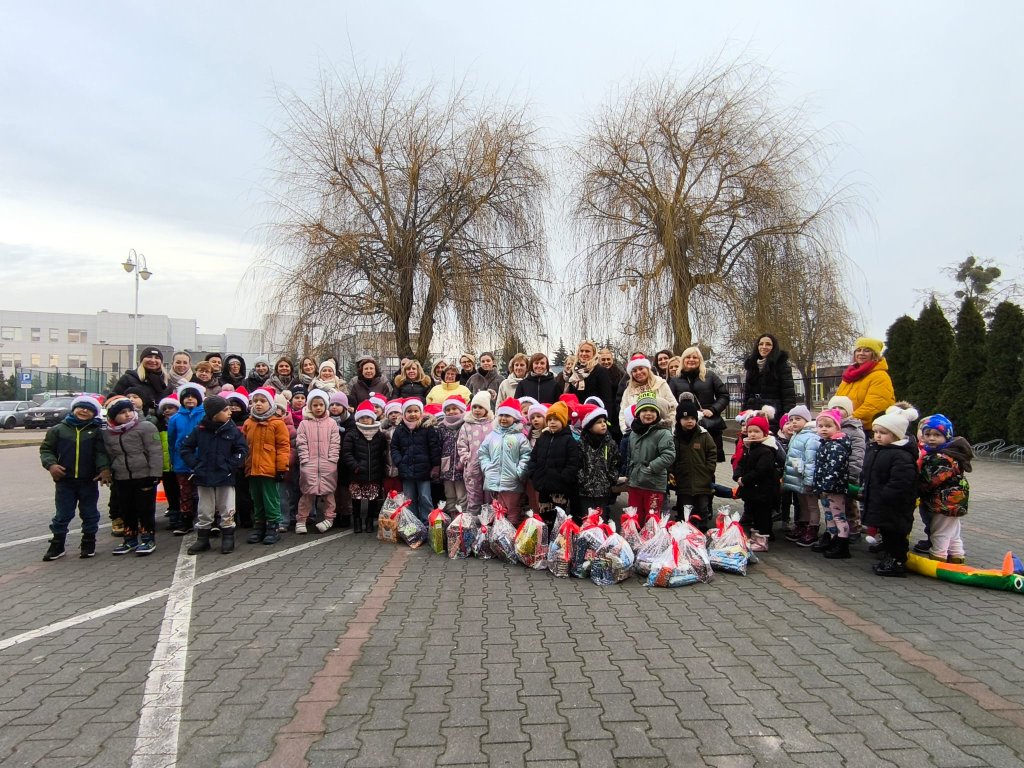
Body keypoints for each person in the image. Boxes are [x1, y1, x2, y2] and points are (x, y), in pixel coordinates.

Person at [39, 395, 112, 561]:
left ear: (95, 413)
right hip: (65, 481)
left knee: (89, 513)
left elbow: (101, 453)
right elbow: (46, 450)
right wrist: (51, 465)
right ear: (73, 409)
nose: (84, 411)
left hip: (88, 481)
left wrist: (104, 469)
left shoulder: (96, 432)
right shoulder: (58, 430)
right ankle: (57, 544)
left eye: (89, 409)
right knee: (63, 514)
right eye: (81, 407)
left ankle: (88, 542)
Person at [180, 394, 249, 555]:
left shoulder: (232, 429)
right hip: (204, 476)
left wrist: (231, 465)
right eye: (225, 410)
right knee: (205, 509)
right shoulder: (200, 430)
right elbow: (185, 448)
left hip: (225, 476)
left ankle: (228, 537)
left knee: (227, 507)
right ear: (213, 413)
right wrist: (196, 465)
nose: (230, 412)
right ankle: (203, 539)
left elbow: (242, 449)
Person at [861, 405, 920, 577]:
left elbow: (901, 481)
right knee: (887, 531)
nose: (877, 435)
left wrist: (887, 495)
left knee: (896, 533)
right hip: (881, 501)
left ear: (895, 435)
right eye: (875, 432)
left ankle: (897, 561)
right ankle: (889, 557)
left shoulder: (901, 455)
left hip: (895, 504)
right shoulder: (877, 450)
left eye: (883, 432)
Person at [101, 395, 163, 556]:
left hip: (144, 475)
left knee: (145, 509)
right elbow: (108, 454)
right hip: (121, 476)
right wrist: (107, 470)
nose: (127, 414)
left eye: (129, 410)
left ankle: (148, 538)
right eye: (122, 412)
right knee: (126, 509)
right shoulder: (108, 432)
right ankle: (129, 539)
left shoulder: (145, 427)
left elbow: (155, 452)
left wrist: (155, 474)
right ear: (113, 416)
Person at [917, 414, 973, 564]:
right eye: (927, 434)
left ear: (947, 437)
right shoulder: (948, 453)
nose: (931, 438)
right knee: (953, 530)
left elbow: (930, 480)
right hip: (954, 500)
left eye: (937, 435)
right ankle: (956, 555)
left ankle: (938, 556)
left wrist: (917, 488)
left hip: (944, 500)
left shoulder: (941, 457)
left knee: (939, 530)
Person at [242, 386, 291, 545]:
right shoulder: (249, 423)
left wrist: (282, 468)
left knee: (270, 499)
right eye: (255, 401)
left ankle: (273, 526)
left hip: (269, 470)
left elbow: (283, 447)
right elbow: (243, 445)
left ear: (270, 404)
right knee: (257, 499)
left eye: (262, 401)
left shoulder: (277, 423)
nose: (258, 404)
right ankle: (259, 526)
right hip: (253, 469)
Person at [669, 346, 731, 462]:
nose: (691, 359)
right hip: (685, 427)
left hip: (708, 425)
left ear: (700, 360)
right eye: (688, 357)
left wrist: (713, 409)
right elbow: (670, 402)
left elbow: (724, 396)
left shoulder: (710, 376)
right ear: (683, 360)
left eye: (695, 357)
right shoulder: (675, 380)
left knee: (709, 461)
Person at [478, 398, 532, 525]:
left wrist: (519, 472)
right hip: (494, 479)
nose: (503, 418)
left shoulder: (520, 437)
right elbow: (483, 453)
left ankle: (512, 534)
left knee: (513, 509)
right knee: (498, 509)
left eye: (507, 415)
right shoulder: (492, 436)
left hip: (512, 481)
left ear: (515, 418)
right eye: (501, 415)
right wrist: (487, 467)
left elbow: (526, 455)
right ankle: (499, 536)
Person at [295, 389, 341, 534]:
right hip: (309, 464)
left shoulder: (332, 423)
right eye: (315, 405)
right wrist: (305, 460)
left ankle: (329, 518)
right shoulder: (304, 424)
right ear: (310, 406)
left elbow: (335, 443)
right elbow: (301, 443)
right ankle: (301, 520)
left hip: (328, 465)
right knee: (307, 494)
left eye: (321, 404)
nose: (318, 408)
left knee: (329, 494)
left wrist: (332, 460)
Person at [527, 401, 580, 524]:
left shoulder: (569, 440)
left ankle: (559, 542)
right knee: (544, 518)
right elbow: (533, 458)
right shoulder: (543, 438)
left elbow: (573, 464)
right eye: (549, 419)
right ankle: (545, 540)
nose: (552, 422)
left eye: (556, 419)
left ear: (563, 421)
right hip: (543, 487)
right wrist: (534, 474)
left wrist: (563, 478)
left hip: (560, 490)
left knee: (559, 520)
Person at [626, 393, 675, 526]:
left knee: (652, 518)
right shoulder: (633, 433)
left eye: (653, 410)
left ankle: (651, 544)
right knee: (634, 517)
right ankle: (635, 541)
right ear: (638, 413)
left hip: (653, 483)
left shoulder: (663, 432)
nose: (649, 413)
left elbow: (669, 455)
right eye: (644, 410)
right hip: (635, 483)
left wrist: (651, 467)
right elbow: (630, 456)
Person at [390, 398, 441, 522]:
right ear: (404, 413)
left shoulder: (427, 428)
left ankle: (427, 522)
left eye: (416, 411)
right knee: (409, 498)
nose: (413, 414)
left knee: (425, 497)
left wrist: (435, 466)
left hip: (424, 471)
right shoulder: (400, 429)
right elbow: (394, 447)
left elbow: (434, 448)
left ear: (421, 412)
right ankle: (412, 523)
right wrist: (399, 461)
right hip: (406, 470)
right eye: (409, 411)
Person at [342, 401, 390, 533]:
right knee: (356, 499)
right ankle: (357, 521)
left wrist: (380, 469)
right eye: (362, 417)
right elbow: (346, 453)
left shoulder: (379, 435)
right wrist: (355, 466)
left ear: (373, 418)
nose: (365, 420)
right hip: (357, 473)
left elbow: (382, 453)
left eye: (368, 417)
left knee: (372, 499)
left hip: (374, 473)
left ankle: (369, 521)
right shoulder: (352, 434)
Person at [671, 395, 717, 531]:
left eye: (692, 418)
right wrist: (672, 471)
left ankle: (702, 530)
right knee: (685, 507)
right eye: (685, 419)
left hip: (702, 480)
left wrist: (709, 470)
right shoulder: (675, 437)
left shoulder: (704, 435)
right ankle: (685, 530)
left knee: (702, 507)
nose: (689, 421)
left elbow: (712, 452)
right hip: (683, 480)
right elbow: (671, 456)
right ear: (679, 420)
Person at [812, 408, 853, 558]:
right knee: (829, 514)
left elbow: (834, 468)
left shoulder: (836, 446)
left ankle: (842, 543)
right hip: (824, 487)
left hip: (834, 489)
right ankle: (831, 537)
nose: (823, 429)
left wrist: (827, 486)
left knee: (838, 515)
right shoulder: (825, 444)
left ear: (837, 427)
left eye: (828, 426)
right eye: (820, 426)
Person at [733, 411, 780, 540]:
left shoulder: (767, 450)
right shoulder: (749, 447)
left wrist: (745, 479)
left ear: (764, 433)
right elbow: (741, 463)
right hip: (752, 488)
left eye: (757, 431)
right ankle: (758, 533)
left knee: (763, 514)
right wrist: (737, 476)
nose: (752, 434)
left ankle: (764, 536)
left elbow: (761, 470)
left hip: (763, 489)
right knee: (755, 513)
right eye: (750, 431)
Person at [167, 383, 207, 535]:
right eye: (186, 397)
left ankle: (205, 520)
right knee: (185, 493)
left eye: (193, 397)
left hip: (201, 461)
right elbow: (172, 441)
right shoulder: (175, 418)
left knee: (203, 493)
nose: (190, 400)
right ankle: (186, 520)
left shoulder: (205, 415)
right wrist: (173, 459)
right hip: (182, 462)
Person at [835, 337, 896, 433]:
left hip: (867, 431)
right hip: (845, 427)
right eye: (858, 350)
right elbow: (836, 401)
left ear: (875, 355)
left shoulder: (880, 376)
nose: (861, 353)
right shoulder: (849, 376)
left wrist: (847, 420)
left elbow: (874, 406)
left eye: (866, 351)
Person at [782, 405, 822, 547]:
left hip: (806, 479)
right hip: (797, 478)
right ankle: (803, 524)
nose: (793, 422)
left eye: (798, 419)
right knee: (802, 504)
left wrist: (809, 480)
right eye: (791, 419)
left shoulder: (811, 437)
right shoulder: (796, 435)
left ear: (806, 420)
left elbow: (811, 461)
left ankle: (813, 527)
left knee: (811, 505)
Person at [828, 395, 867, 539]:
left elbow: (857, 454)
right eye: (834, 408)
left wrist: (852, 473)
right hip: (834, 474)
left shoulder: (854, 430)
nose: (837, 410)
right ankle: (840, 528)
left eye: (841, 408)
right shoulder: (830, 426)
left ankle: (854, 528)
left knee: (850, 503)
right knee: (837, 504)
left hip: (848, 472)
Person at [741, 334, 796, 427]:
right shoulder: (752, 365)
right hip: (752, 413)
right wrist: (743, 413)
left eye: (768, 344)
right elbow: (747, 393)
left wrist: (787, 416)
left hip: (773, 414)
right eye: (761, 344)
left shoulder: (781, 365)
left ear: (773, 347)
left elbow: (788, 395)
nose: (764, 347)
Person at [576, 405, 619, 518]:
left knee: (602, 519)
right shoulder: (581, 444)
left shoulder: (610, 443)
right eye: (599, 422)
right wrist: (582, 478)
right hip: (585, 490)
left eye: (604, 421)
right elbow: (577, 463)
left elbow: (615, 462)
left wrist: (611, 477)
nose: (603, 424)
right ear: (590, 426)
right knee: (587, 519)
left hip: (604, 489)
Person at [618, 354, 675, 433]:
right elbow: (623, 415)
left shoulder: (660, 384)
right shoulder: (628, 391)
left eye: (641, 368)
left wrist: (670, 429)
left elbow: (673, 408)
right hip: (637, 434)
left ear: (648, 369)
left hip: (661, 432)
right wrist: (626, 433)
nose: (638, 372)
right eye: (634, 371)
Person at [436, 393, 468, 512]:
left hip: (461, 466)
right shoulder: (442, 427)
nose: (451, 412)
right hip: (446, 466)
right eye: (448, 409)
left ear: (461, 409)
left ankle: (463, 516)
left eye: (454, 408)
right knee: (449, 494)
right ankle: (452, 516)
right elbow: (438, 446)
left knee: (462, 495)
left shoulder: (466, 425)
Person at [565, 341, 614, 414]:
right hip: (577, 415)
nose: (584, 354)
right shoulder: (574, 371)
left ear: (593, 353)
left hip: (595, 415)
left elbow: (607, 398)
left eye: (587, 351)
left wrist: (606, 419)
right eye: (581, 351)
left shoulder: (600, 371)